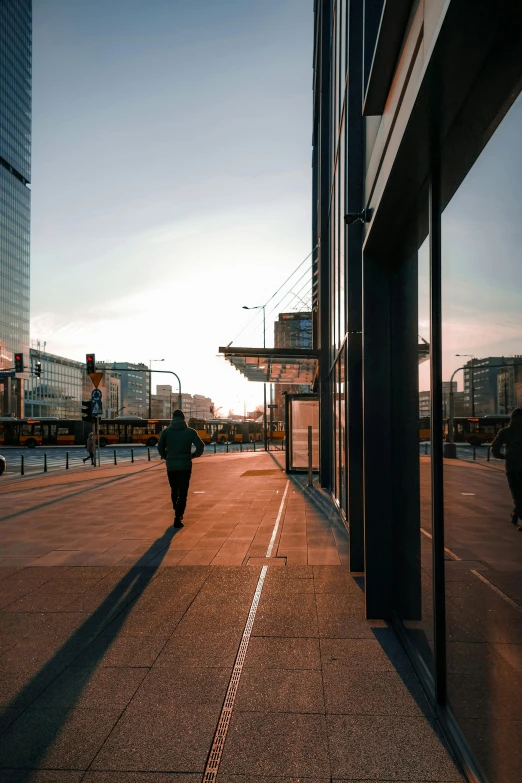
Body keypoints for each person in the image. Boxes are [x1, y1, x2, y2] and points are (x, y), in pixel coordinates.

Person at [158, 409, 204, 528]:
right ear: (184, 419)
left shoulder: (166, 432)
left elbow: (160, 447)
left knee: (174, 489)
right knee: (183, 492)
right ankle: (178, 516)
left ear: (172, 418)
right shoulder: (190, 432)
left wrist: (166, 456)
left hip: (171, 467)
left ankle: (176, 508)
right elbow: (200, 445)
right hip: (185, 466)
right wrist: (193, 455)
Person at [491, 407, 522, 529]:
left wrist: (503, 456)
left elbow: (494, 448)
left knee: (517, 493)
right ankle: (516, 512)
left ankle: (517, 512)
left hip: (512, 467)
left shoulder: (505, 432)